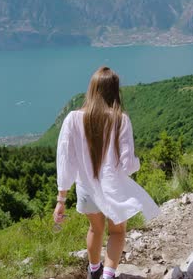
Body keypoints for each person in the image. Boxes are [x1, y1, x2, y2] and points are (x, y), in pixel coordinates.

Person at [53, 66, 161, 279]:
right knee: (117, 232)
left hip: (86, 188)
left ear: (92, 89)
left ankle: (94, 270)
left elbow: (66, 160)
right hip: (114, 188)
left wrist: (61, 198)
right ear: (115, 91)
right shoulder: (121, 119)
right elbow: (128, 163)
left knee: (95, 229)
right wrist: (137, 165)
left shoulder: (73, 119)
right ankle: (108, 276)